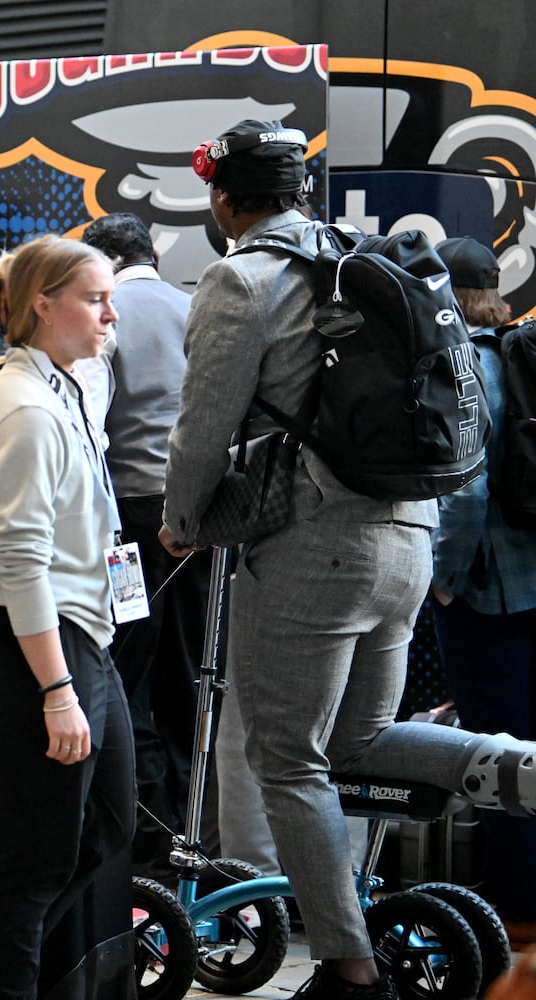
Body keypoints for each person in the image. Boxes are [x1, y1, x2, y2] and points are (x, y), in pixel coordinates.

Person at [159, 119, 536, 999]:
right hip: (408, 534)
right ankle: (520, 765)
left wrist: (182, 521)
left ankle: (349, 967)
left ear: (223, 200)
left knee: (291, 760)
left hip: (308, 550)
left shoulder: (240, 278)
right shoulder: (366, 260)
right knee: (361, 743)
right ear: (302, 189)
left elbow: (203, 428)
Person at [0, 236, 135, 1000]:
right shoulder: (25, 413)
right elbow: (19, 568)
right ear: (43, 306)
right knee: (35, 862)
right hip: (29, 652)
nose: (111, 313)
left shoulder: (70, 386)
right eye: (94, 298)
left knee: (107, 827)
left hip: (80, 639)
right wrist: (56, 691)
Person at [80, 212, 208, 876]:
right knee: (189, 672)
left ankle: (138, 837)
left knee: (127, 668)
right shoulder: (195, 307)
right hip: (198, 519)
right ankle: (190, 837)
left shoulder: (101, 313)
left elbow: (89, 423)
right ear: (151, 254)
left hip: (127, 521)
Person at [429, 236, 536, 947]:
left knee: (499, 755)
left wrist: (439, 582)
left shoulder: (463, 365)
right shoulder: (524, 349)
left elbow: (465, 498)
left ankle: (515, 906)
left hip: (490, 595)